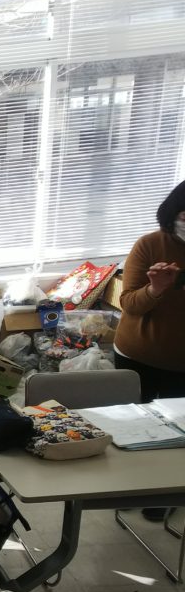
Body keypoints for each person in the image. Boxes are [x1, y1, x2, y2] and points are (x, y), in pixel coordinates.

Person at [113, 179, 185, 521]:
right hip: (136, 354)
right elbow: (129, 303)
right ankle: (127, 486)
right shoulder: (150, 244)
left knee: (175, 432)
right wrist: (156, 289)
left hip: (181, 363)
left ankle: (161, 493)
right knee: (130, 428)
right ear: (173, 213)